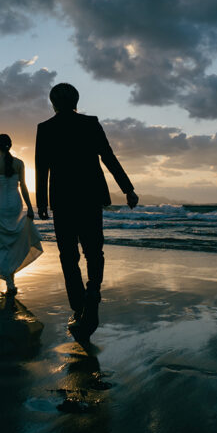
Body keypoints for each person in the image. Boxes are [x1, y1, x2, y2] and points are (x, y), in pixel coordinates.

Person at [35, 83, 137, 341]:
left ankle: (79, 308)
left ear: (53, 103)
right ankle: (93, 294)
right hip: (90, 197)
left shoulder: (45, 128)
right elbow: (108, 157)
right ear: (77, 101)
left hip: (62, 199)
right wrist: (128, 189)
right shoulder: (91, 123)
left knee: (68, 256)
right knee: (94, 251)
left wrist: (42, 203)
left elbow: (41, 168)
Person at [0, 133, 43, 294]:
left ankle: (10, 282)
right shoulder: (19, 163)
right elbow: (24, 186)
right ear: (10, 146)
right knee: (12, 240)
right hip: (15, 203)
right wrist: (30, 208)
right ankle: (10, 281)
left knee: (1, 241)